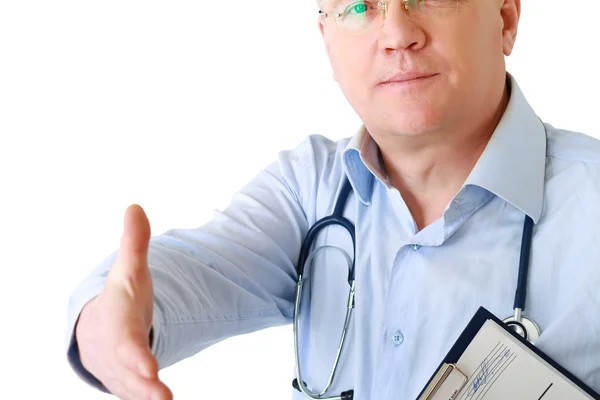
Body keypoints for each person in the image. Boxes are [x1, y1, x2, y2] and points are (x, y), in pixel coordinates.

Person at [66, 0, 600, 399]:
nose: (397, 33)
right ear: (327, 42)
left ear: (505, 17)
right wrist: (108, 321)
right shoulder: (310, 189)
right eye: (361, 7)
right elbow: (189, 271)